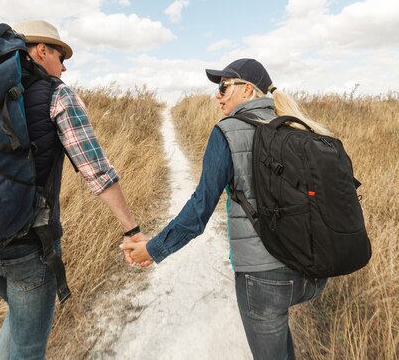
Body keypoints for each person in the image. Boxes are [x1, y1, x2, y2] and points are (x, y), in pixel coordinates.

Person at [0, 20, 148, 360]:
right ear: (42, 50)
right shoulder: (56, 93)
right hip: (29, 250)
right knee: (28, 346)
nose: (63, 67)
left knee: (20, 324)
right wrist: (132, 230)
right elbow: (96, 170)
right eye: (61, 56)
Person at [123, 58, 329, 360]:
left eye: (223, 87)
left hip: (262, 278)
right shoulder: (298, 126)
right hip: (311, 271)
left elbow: (199, 211)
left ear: (247, 90)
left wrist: (152, 249)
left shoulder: (227, 131)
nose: (217, 95)